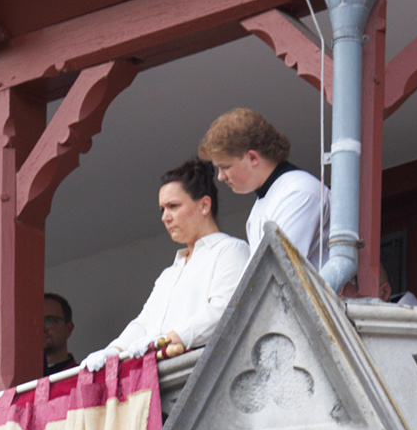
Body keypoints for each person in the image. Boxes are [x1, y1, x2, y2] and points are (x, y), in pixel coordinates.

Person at [83, 159, 248, 368]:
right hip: (155, 379)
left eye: (173, 206)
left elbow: (223, 310)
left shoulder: (230, 250)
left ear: (204, 205)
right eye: (162, 209)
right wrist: (113, 351)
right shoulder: (168, 274)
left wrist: (167, 340)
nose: (165, 217)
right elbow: (143, 324)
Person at [197, 108, 328, 266]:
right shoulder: (263, 204)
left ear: (252, 157)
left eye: (225, 167)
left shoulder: (299, 192)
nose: (220, 176)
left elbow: (278, 274)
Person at [42, 293, 78, 372]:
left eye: (49, 320)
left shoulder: (83, 377)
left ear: (68, 329)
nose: (41, 328)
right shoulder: (22, 380)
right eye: (35, 321)